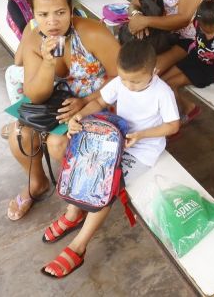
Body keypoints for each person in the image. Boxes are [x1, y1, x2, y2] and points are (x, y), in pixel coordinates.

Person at [42, 39, 180, 278]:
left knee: (105, 186)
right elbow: (99, 101)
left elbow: (173, 126)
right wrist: (79, 116)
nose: (129, 85)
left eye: (136, 81)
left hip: (142, 150)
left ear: (154, 71)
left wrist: (141, 135)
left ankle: (79, 245)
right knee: (84, 165)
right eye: (125, 79)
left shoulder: (162, 92)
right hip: (115, 139)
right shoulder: (121, 82)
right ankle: (73, 214)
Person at [5, 0, 120, 225]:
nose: (52, 22)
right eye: (43, 15)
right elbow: (36, 94)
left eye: (60, 12)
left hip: (103, 101)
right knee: (19, 136)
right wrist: (47, 61)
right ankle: (37, 184)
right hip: (60, 105)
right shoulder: (35, 38)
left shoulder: (91, 32)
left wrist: (88, 100)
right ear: (34, 15)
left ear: (71, 9)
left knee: (58, 143)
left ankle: (85, 192)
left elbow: (124, 77)